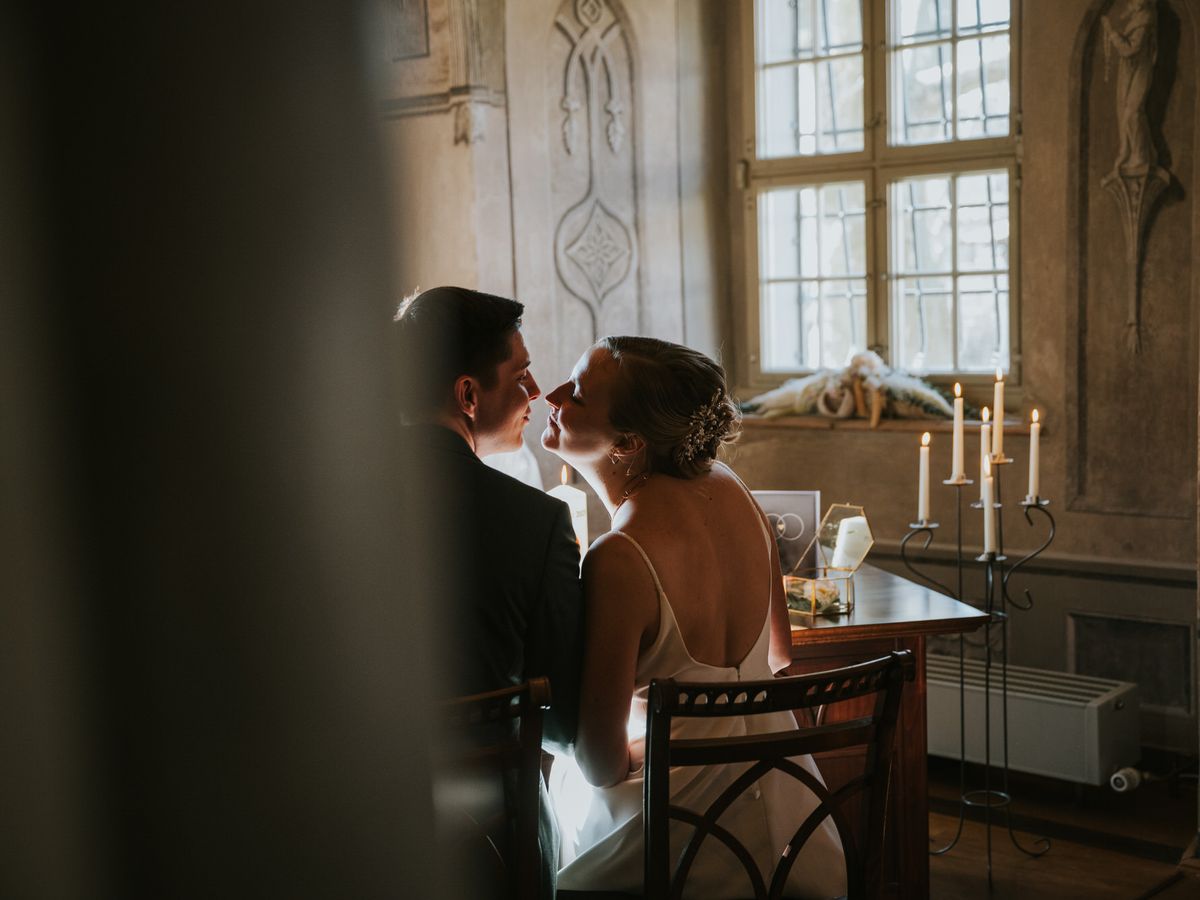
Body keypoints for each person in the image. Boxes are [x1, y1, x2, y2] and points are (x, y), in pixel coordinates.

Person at [542, 336, 846, 898]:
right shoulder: (737, 491)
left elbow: (601, 764)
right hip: (783, 823)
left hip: (676, 842)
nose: (550, 394)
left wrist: (674, 736)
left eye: (578, 393)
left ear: (629, 442)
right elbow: (780, 653)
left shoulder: (618, 555)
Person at [394, 285, 584, 900]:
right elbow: (563, 717)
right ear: (468, 395)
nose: (534, 395)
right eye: (522, 376)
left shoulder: (320, 508)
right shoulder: (536, 523)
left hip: (354, 819)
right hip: (491, 844)